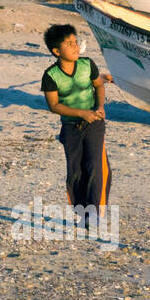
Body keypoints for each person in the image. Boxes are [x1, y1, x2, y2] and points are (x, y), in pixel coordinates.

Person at [41, 24, 113, 229]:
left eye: (75, 42)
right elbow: (54, 106)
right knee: (76, 170)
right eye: (69, 44)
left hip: (95, 124)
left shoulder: (87, 64)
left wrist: (100, 107)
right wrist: (82, 113)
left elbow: (98, 85)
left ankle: (96, 213)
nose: (76, 47)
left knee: (96, 166)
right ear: (57, 51)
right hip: (71, 128)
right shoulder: (51, 76)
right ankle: (82, 212)